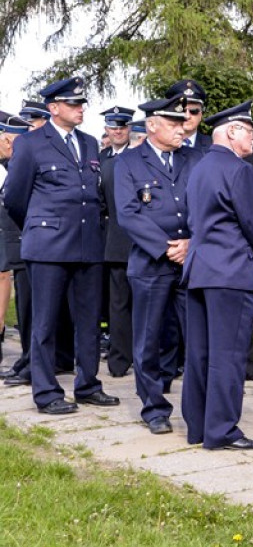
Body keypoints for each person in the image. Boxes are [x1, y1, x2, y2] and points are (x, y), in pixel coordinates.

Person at [3, 76, 120, 414]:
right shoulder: (31, 143)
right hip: (49, 245)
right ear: (54, 108)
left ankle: (87, 385)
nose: (80, 108)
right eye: (72, 103)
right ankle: (46, 392)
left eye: (81, 103)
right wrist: (43, 224)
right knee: (46, 322)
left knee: (87, 321)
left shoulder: (87, 143)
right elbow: (14, 197)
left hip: (87, 244)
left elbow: (92, 194)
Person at [180, 101, 253, 450]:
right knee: (229, 353)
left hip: (201, 268)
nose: (252, 138)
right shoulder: (240, 170)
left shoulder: (200, 168)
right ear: (232, 132)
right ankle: (221, 430)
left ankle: (198, 427)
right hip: (232, 269)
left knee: (200, 352)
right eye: (249, 130)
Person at [115, 96, 199, 435]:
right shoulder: (130, 162)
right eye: (173, 123)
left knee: (195, 337)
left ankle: (197, 406)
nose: (182, 128)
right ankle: (154, 407)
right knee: (148, 339)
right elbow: (128, 213)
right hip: (151, 263)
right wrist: (168, 249)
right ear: (152, 126)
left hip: (191, 262)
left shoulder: (194, 159)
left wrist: (192, 243)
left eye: (183, 122)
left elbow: (207, 205)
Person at [98, 105, 136, 378]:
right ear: (107, 130)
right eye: (113, 126)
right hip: (112, 241)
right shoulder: (99, 160)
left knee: (147, 303)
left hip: (140, 240)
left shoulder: (140, 158)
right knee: (118, 304)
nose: (118, 131)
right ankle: (119, 358)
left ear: (129, 129)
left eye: (122, 126)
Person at [0, 112, 32, 368]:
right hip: (13, 243)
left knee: (30, 305)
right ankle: (27, 357)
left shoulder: (19, 167)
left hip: (25, 242)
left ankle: (31, 357)